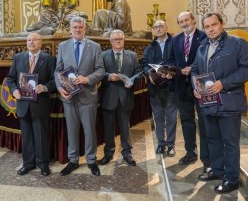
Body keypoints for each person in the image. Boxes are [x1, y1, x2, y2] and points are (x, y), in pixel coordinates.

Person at [191, 12, 248, 194]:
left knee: (230, 142)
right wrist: (195, 86)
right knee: (212, 139)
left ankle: (232, 179)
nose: (211, 29)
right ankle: (218, 170)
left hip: (229, 102)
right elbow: (195, 69)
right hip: (209, 102)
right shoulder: (202, 46)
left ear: (222, 24)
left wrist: (223, 83)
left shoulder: (237, 43)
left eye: (214, 25)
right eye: (207, 26)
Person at [55, 16, 105, 176]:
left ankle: (91, 161)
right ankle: (73, 160)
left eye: (80, 27)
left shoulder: (95, 47)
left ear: (85, 29)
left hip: (88, 96)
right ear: (70, 29)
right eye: (75, 27)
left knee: (90, 130)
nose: (77, 29)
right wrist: (59, 88)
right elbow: (58, 70)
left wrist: (87, 79)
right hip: (69, 97)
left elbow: (100, 70)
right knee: (72, 130)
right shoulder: (63, 46)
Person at [6, 33, 56, 177]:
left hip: (40, 103)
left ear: (41, 42)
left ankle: (43, 164)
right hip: (23, 103)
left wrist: (45, 87)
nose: (31, 42)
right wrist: (14, 90)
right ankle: (28, 163)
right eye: (28, 40)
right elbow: (10, 79)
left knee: (41, 135)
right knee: (26, 135)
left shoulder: (49, 59)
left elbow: (54, 81)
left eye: (34, 40)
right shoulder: (18, 58)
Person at [170, 12, 211, 172]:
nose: (185, 23)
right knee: (186, 121)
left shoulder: (204, 36)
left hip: (200, 82)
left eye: (187, 20)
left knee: (204, 122)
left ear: (193, 20)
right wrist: (179, 70)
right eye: (181, 21)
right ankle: (190, 152)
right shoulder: (176, 40)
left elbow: (207, 57)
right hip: (182, 84)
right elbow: (172, 59)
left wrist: (192, 68)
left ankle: (207, 158)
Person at [99, 30, 140, 166]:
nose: (118, 40)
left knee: (125, 127)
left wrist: (133, 82)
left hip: (125, 97)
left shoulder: (132, 56)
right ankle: (108, 153)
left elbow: (138, 73)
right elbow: (98, 73)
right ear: (110, 41)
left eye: (120, 38)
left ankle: (127, 153)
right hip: (108, 98)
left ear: (124, 40)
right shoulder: (103, 55)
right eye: (115, 39)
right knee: (108, 128)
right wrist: (109, 77)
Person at [141, 20, 177, 156]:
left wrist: (171, 72)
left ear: (166, 27)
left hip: (171, 86)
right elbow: (144, 63)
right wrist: (148, 74)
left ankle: (171, 145)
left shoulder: (174, 43)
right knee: (158, 117)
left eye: (161, 26)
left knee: (172, 117)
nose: (158, 29)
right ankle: (161, 144)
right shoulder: (150, 46)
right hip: (155, 87)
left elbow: (178, 61)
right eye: (155, 27)